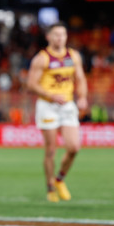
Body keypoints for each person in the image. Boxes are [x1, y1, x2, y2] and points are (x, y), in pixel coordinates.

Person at [26, 22, 88, 202]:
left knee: (74, 147)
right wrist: (51, 95)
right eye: (56, 35)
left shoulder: (73, 56)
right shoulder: (42, 58)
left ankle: (59, 179)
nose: (60, 38)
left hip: (67, 105)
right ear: (49, 37)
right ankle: (50, 187)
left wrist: (82, 97)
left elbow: (81, 78)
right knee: (51, 149)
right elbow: (31, 84)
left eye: (63, 35)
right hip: (47, 106)